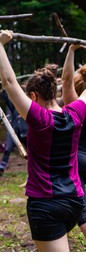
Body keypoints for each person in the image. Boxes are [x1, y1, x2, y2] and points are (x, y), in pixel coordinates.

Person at [0, 30, 86, 252]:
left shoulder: (40, 119)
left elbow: (8, 81)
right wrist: (73, 50)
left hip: (46, 205)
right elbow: (69, 83)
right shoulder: (75, 113)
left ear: (33, 97)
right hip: (75, 200)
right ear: (54, 93)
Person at [61, 43, 86, 238]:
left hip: (78, 159)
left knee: (82, 209)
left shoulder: (77, 105)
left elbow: (66, 80)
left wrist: (70, 51)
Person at [0, 89, 28, 177]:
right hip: (14, 132)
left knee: (31, 151)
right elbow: (6, 98)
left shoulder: (27, 106)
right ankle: (1, 169)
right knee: (7, 149)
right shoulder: (14, 106)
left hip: (26, 133)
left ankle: (35, 168)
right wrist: (5, 89)